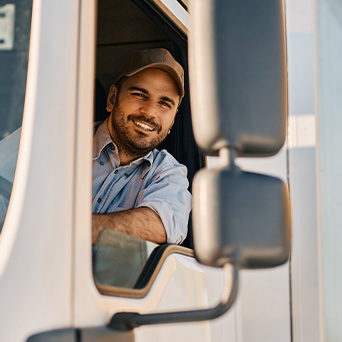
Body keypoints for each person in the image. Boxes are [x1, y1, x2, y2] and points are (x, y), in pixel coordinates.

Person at [92, 48, 192, 245]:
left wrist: (62, 229)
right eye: (139, 94)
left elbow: (162, 225)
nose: (149, 113)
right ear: (112, 98)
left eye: (164, 104)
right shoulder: (57, 141)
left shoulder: (169, 173)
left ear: (172, 121)